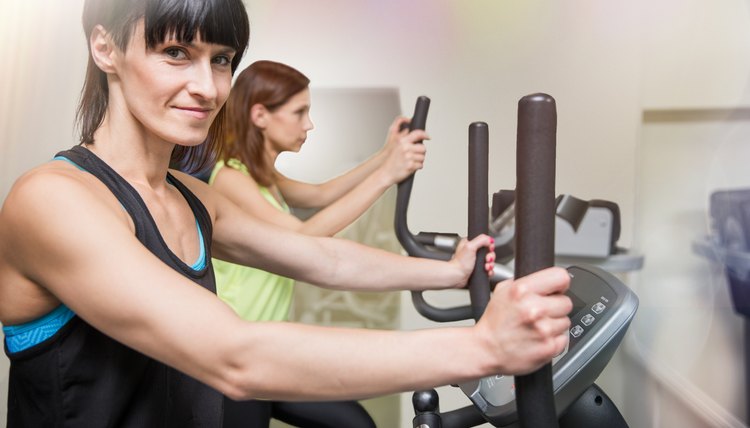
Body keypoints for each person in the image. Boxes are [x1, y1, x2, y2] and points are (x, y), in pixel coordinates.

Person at [0, 0, 573, 427]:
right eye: (175, 53)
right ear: (106, 49)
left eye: (220, 60)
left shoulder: (189, 195)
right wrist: (482, 349)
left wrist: (448, 271)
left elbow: (321, 257)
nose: (206, 87)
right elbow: (235, 357)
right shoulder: (53, 200)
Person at [209, 60, 427, 428]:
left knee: (354, 424)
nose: (308, 124)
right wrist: (387, 175)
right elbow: (301, 241)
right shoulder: (230, 178)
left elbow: (322, 193)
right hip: (235, 348)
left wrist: (386, 155)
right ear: (260, 115)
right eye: (299, 112)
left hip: (269, 347)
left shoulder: (265, 178)